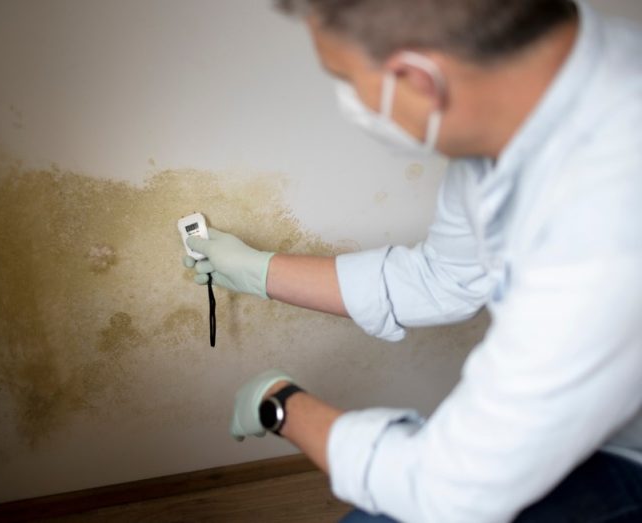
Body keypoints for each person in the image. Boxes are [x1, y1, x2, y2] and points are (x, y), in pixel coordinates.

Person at [182, 0, 642, 521]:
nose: (348, 99)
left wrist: (281, 404)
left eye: (345, 77)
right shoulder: (529, 106)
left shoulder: (606, 223)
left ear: (418, 79)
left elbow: (447, 493)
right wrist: (256, 270)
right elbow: (442, 277)